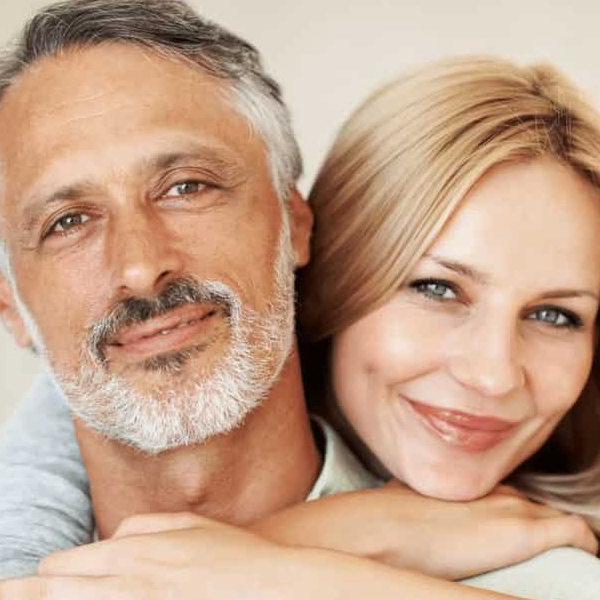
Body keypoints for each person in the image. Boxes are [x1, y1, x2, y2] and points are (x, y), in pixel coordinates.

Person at [0, 0, 598, 598]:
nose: (140, 267)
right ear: (10, 307)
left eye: (187, 186)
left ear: (296, 223)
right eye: (67, 221)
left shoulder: (544, 571)